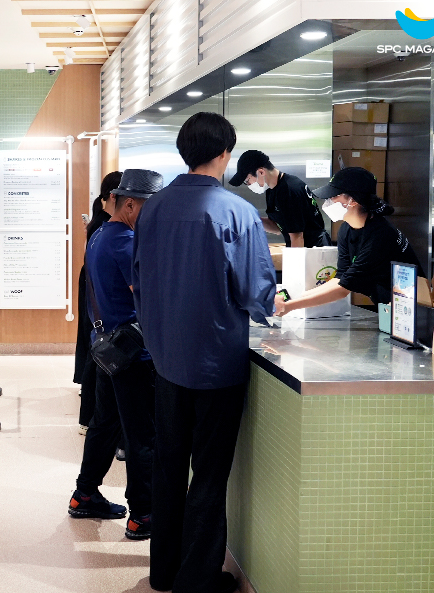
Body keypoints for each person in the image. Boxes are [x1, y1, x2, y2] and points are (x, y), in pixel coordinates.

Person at [133, 113, 276, 593]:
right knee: (209, 476)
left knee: (169, 466)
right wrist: (272, 306)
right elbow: (256, 293)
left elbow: (140, 279)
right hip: (217, 364)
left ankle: (164, 571)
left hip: (166, 359)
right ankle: (196, 581)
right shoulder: (235, 211)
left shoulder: (153, 208)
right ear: (225, 153)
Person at [69, 168, 163, 541]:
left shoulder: (100, 235)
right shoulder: (127, 242)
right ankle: (143, 514)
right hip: (132, 357)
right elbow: (148, 297)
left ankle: (84, 494)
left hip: (106, 350)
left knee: (105, 425)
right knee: (143, 436)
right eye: (150, 208)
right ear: (130, 205)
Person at [274, 166, 424, 315]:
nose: (328, 201)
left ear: (353, 200)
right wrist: (292, 298)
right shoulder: (346, 229)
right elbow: (340, 277)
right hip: (389, 306)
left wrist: (290, 306)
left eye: (333, 196)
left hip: (413, 308)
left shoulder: (380, 236)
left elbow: (343, 289)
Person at [74, 171, 122, 434]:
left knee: (95, 352)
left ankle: (89, 419)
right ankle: (89, 419)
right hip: (100, 298)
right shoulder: (107, 228)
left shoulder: (101, 225)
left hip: (96, 295)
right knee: (98, 356)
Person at [228, 149, 331, 248]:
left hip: (313, 249)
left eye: (247, 181)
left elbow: (297, 237)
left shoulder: (289, 190)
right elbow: (278, 227)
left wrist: (293, 261)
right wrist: (252, 219)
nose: (248, 185)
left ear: (261, 172)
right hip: (300, 247)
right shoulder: (272, 190)